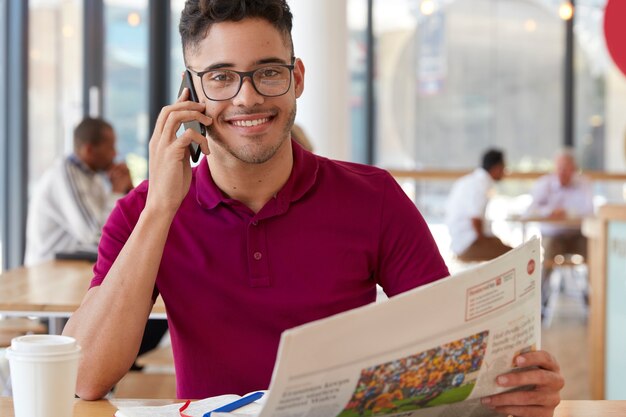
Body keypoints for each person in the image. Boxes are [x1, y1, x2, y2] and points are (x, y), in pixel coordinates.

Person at [63, 2, 564, 415]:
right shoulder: (142, 214)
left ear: (297, 78)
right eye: (220, 77)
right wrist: (160, 209)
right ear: (190, 92)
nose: (247, 98)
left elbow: (452, 348)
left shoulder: (374, 197)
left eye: (268, 72)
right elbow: (83, 377)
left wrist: (515, 387)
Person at [24, 117, 134, 266]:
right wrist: (116, 192)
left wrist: (129, 190)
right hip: (48, 271)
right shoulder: (64, 176)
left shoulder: (93, 177)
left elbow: (119, 226)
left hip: (74, 267)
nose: (115, 154)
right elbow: (95, 236)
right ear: (89, 149)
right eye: (110, 148)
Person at [525, 148, 594, 307]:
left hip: (578, 235)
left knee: (596, 256)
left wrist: (568, 213)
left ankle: (595, 301)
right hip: (553, 236)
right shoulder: (544, 183)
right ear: (555, 168)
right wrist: (549, 212)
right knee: (546, 260)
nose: (563, 172)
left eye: (567, 169)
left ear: (574, 169)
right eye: (560, 168)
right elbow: (529, 211)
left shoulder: (584, 184)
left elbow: (590, 211)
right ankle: (538, 303)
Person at [445, 149, 512, 262]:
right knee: (515, 256)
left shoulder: (470, 180)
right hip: (468, 244)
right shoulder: (480, 184)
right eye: (504, 168)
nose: (504, 172)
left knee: (505, 248)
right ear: (497, 167)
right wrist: (485, 242)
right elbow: (475, 219)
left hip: (460, 241)